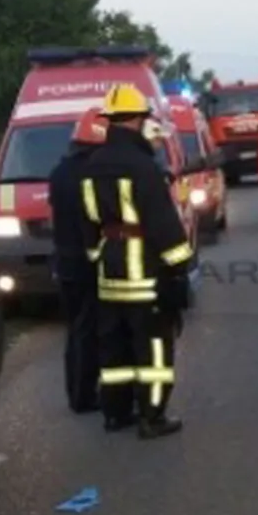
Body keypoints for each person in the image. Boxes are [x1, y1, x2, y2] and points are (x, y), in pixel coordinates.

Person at [79, 83, 193, 439]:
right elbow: (163, 225)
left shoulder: (91, 164)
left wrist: (97, 258)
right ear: (138, 121)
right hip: (146, 276)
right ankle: (152, 417)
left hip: (109, 275)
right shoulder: (143, 167)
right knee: (154, 351)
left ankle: (115, 413)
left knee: (114, 349)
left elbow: (88, 223)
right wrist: (178, 270)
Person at [49, 107, 108, 414]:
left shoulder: (60, 172)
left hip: (64, 263)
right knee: (91, 330)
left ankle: (76, 392)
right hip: (88, 263)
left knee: (75, 331)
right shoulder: (93, 175)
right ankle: (86, 395)